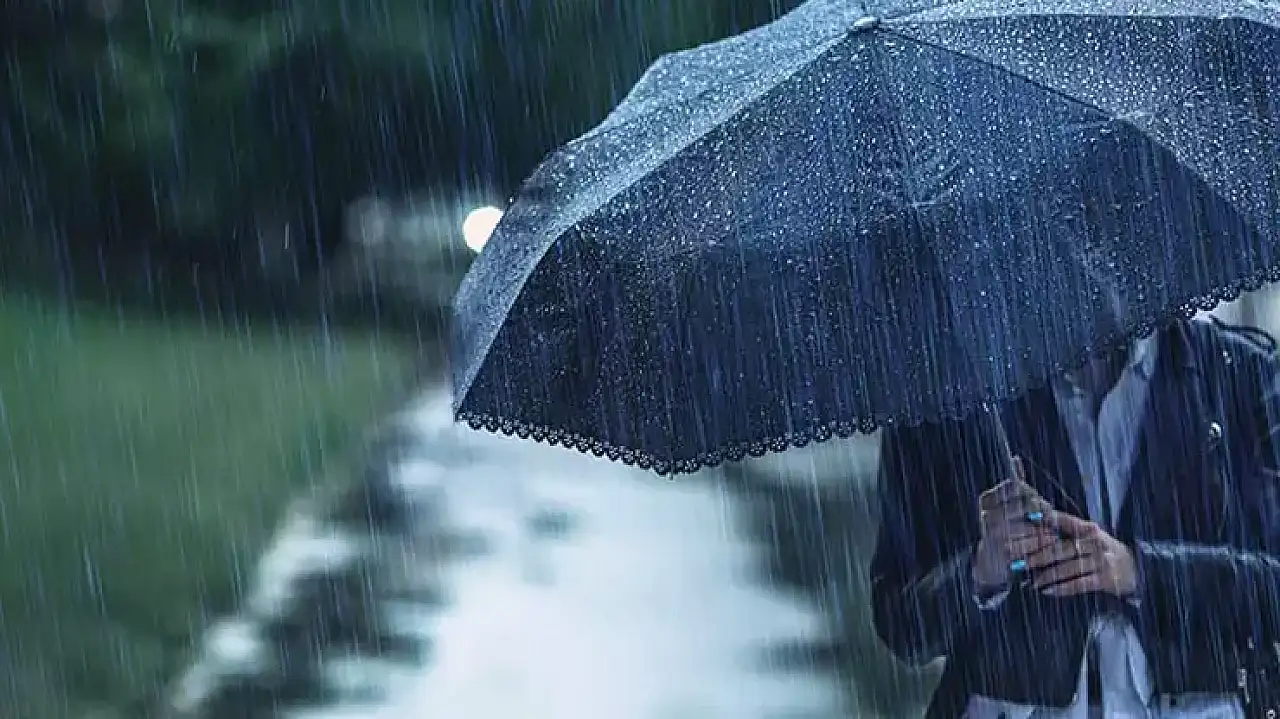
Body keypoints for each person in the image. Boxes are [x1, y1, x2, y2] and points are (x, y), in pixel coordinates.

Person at [869, 313, 1280, 718]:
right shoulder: (947, 397)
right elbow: (900, 624)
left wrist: (1141, 572)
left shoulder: (1239, 373)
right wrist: (980, 571)